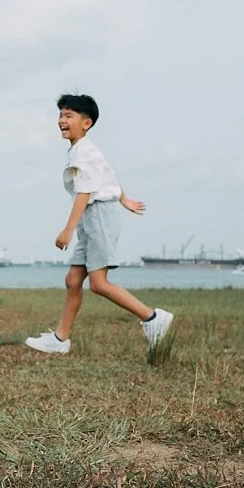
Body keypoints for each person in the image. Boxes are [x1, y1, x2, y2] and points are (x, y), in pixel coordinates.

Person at [25, 93, 174, 356]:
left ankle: (152, 318)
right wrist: (124, 198)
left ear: (86, 123)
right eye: (60, 115)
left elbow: (84, 192)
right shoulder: (84, 150)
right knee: (73, 280)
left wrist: (68, 229)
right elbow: (108, 174)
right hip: (93, 216)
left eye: (69, 115)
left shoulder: (84, 152)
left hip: (98, 216)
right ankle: (60, 340)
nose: (62, 120)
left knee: (98, 283)